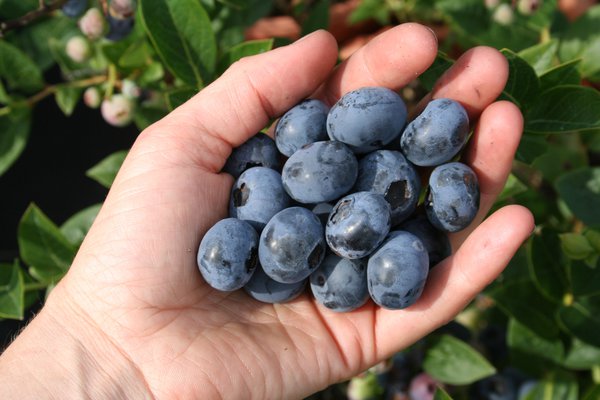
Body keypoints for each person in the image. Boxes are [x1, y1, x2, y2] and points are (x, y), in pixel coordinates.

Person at [0, 24, 534, 399]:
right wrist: (97, 340)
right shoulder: (297, 203)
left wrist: (98, 348)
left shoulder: (322, 188)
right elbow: (321, 216)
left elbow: (342, 207)